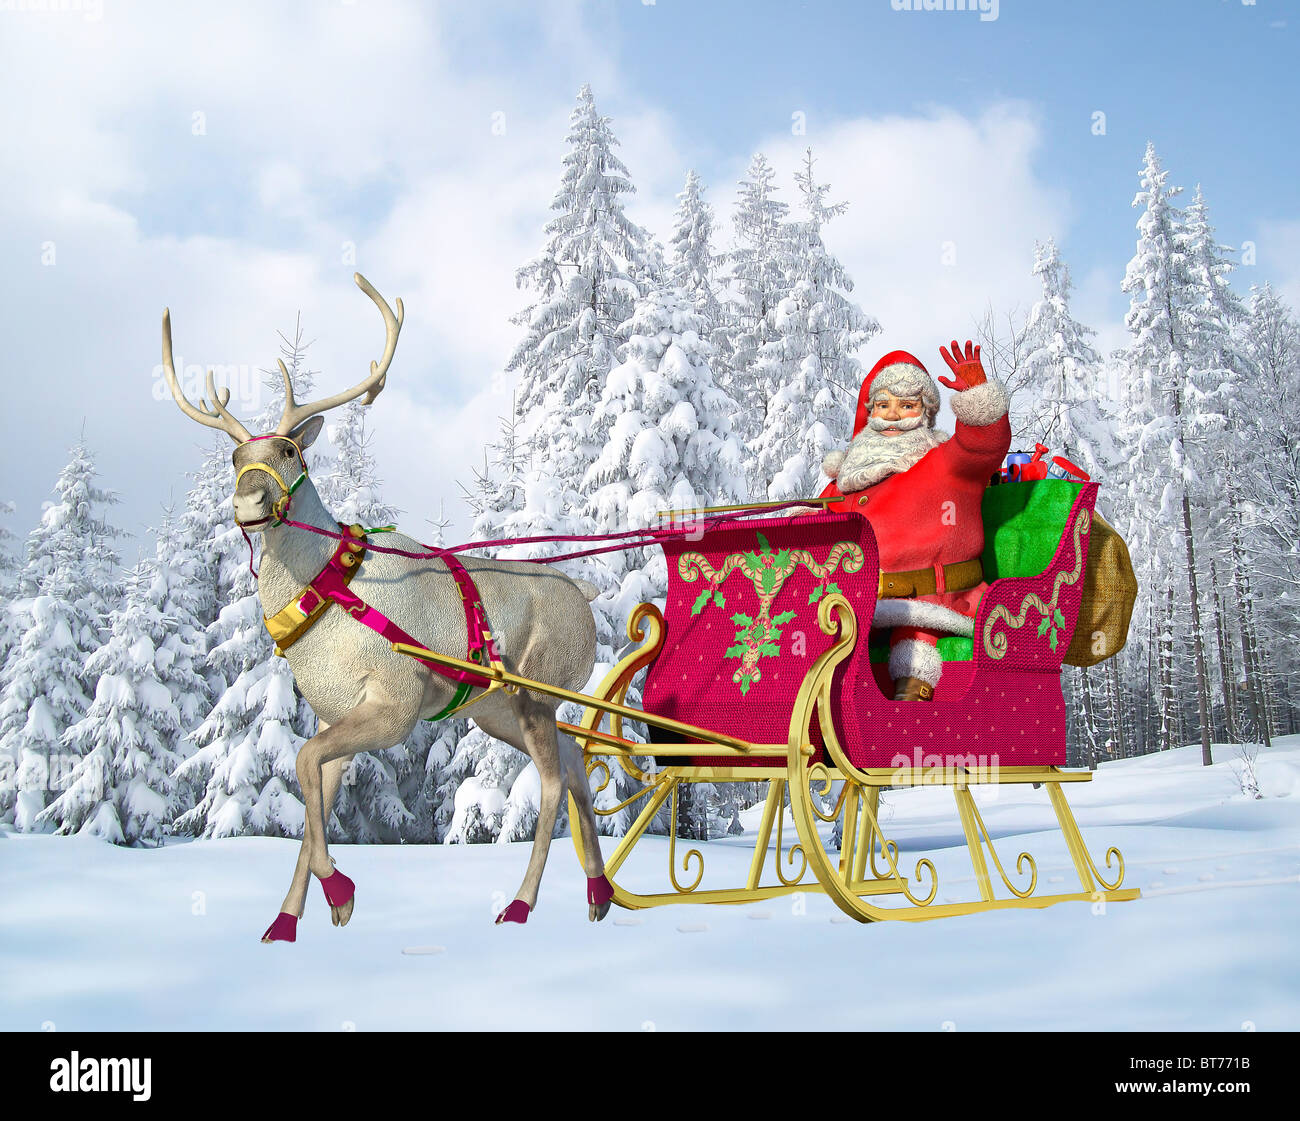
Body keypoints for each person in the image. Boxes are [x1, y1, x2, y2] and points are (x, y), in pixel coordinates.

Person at [813, 340, 1011, 701]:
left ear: (925, 414)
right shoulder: (846, 482)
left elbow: (982, 446)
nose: (891, 416)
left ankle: (911, 708)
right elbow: (823, 523)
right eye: (883, 405)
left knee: (914, 643)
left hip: (931, 598)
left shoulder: (947, 463)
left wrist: (977, 398)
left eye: (906, 405)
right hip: (853, 604)